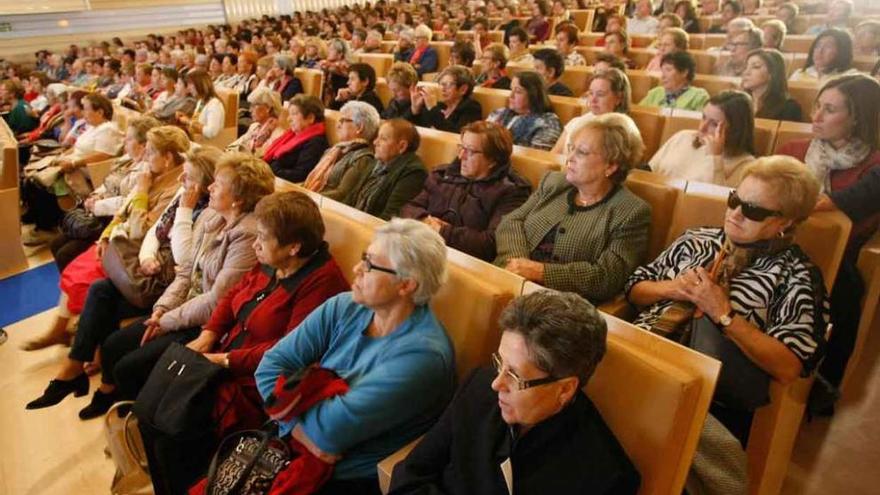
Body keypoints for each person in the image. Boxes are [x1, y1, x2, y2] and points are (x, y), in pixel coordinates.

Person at [138, 190, 351, 495]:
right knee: (153, 413)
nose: (255, 244)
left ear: (294, 247)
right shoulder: (270, 262)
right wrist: (208, 334)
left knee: (170, 436)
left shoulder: (322, 282)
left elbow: (287, 350)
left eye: (262, 238)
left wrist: (225, 359)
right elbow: (231, 296)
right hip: (220, 359)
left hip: (254, 385)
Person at [625, 155, 828, 442]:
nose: (735, 213)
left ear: (785, 221)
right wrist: (673, 288)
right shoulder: (697, 240)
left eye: (753, 210)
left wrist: (723, 314)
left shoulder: (796, 274)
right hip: (641, 356)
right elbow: (634, 288)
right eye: (735, 199)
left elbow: (788, 366)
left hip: (709, 398)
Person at [254, 218, 456, 493]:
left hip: (346, 480)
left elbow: (328, 434)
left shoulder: (424, 357)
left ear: (406, 285)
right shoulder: (345, 305)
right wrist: (298, 430)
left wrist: (288, 413)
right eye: (364, 257)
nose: (356, 269)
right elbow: (268, 366)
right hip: (292, 452)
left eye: (370, 264)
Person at [389, 290, 641, 495]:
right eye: (500, 362)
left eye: (514, 375)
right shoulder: (478, 387)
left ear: (564, 389)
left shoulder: (605, 478)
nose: (496, 383)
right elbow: (411, 474)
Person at [777, 75, 880, 408]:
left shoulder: (873, 163)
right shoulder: (793, 150)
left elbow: (860, 198)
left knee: (846, 286)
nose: (816, 117)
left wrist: (806, 202)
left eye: (830, 109)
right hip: (779, 244)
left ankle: (823, 384)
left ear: (857, 118)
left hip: (839, 256)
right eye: (817, 106)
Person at [494, 113, 651, 302]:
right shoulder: (554, 183)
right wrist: (518, 265)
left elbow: (606, 277)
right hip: (510, 281)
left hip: (562, 306)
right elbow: (511, 221)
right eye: (571, 148)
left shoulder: (630, 212)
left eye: (582, 152)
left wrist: (540, 272)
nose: (569, 158)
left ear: (611, 166)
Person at [400, 121, 531, 261]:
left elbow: (491, 244)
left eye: (471, 151)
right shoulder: (442, 175)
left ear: (493, 159)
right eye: (461, 148)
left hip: (464, 262)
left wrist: (442, 232)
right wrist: (425, 221)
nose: (461, 156)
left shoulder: (511, 192)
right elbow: (409, 208)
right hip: (423, 248)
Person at [49, 116, 161, 271]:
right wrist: (96, 194)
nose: (124, 142)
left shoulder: (146, 170)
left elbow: (128, 202)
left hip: (113, 219)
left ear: (143, 146)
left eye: (128, 139)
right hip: (99, 211)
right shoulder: (127, 158)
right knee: (56, 244)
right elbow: (108, 182)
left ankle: (77, 289)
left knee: (65, 254)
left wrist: (97, 205)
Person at [21, 92, 124, 245]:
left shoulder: (108, 129)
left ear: (100, 112)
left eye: (86, 109)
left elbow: (104, 155)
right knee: (32, 178)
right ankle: (39, 219)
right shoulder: (92, 127)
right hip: (74, 163)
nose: (83, 112)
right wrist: (61, 156)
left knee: (43, 182)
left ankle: (48, 227)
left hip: (87, 171)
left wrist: (74, 163)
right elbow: (77, 147)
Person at [650, 90, 756, 186]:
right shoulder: (683, 137)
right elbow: (647, 173)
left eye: (714, 124)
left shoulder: (745, 165)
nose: (702, 128)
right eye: (703, 117)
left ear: (735, 130)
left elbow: (715, 202)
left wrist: (716, 157)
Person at [342, 119, 427, 220]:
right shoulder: (378, 161)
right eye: (377, 137)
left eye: (383, 139)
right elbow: (352, 196)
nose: (375, 142)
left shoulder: (414, 174)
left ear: (402, 146)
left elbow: (391, 218)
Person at [304, 100, 380, 200]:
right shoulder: (333, 151)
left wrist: (306, 196)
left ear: (359, 127)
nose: (337, 125)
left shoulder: (363, 158)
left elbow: (342, 194)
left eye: (342, 121)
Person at [553, 68, 632, 154]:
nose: (593, 100)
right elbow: (553, 156)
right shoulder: (576, 122)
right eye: (590, 93)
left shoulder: (621, 133)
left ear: (618, 98)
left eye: (600, 94)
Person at [487, 72, 563, 151]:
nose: (511, 96)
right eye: (511, 89)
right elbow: (483, 141)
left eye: (518, 92)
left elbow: (535, 157)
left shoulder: (548, 122)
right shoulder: (499, 112)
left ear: (533, 95)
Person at [264, 94, 329, 183]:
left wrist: (269, 169)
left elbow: (300, 175)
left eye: (294, 114)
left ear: (310, 118)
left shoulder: (316, 142)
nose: (288, 119)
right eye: (289, 114)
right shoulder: (292, 135)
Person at [408, 65, 482, 133]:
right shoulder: (438, 105)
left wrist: (432, 108)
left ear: (463, 89)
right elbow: (417, 130)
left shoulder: (472, 108)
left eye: (448, 85)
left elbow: (457, 134)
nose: (442, 89)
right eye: (441, 84)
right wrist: (415, 110)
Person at [741, 49, 802, 121]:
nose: (746, 72)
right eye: (745, 67)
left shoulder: (789, 108)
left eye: (756, 67)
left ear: (772, 73)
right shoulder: (739, 103)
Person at [640, 51, 710, 111]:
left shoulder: (699, 96)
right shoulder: (655, 93)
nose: (663, 76)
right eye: (662, 71)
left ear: (684, 72)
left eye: (668, 70)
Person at [225, 87, 284, 156]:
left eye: (254, 106)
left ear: (268, 108)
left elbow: (260, 156)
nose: (250, 110)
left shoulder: (277, 133)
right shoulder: (254, 126)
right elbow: (234, 145)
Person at [789, 29, 857, 83]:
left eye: (828, 46)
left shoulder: (850, 78)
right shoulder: (799, 74)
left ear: (842, 51)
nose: (820, 51)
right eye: (818, 46)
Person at [176, 69, 225, 140]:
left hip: (207, 144)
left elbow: (211, 133)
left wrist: (188, 121)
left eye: (190, 84)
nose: (188, 88)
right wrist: (185, 118)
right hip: (196, 139)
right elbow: (197, 122)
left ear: (199, 84)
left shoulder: (214, 105)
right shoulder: (201, 101)